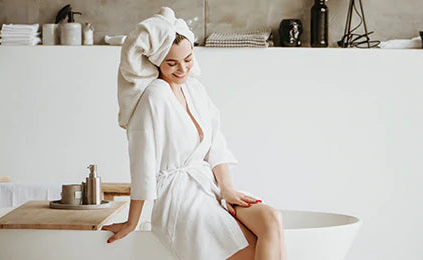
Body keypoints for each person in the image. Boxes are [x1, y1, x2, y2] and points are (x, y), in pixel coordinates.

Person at [102, 7, 286, 260]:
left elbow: (216, 143)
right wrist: (132, 222)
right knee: (254, 251)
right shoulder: (153, 98)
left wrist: (227, 189)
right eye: (172, 63)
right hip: (179, 200)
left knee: (271, 219)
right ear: (156, 61)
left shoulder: (195, 89)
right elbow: (142, 164)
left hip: (209, 187)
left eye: (187, 60)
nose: (182, 69)